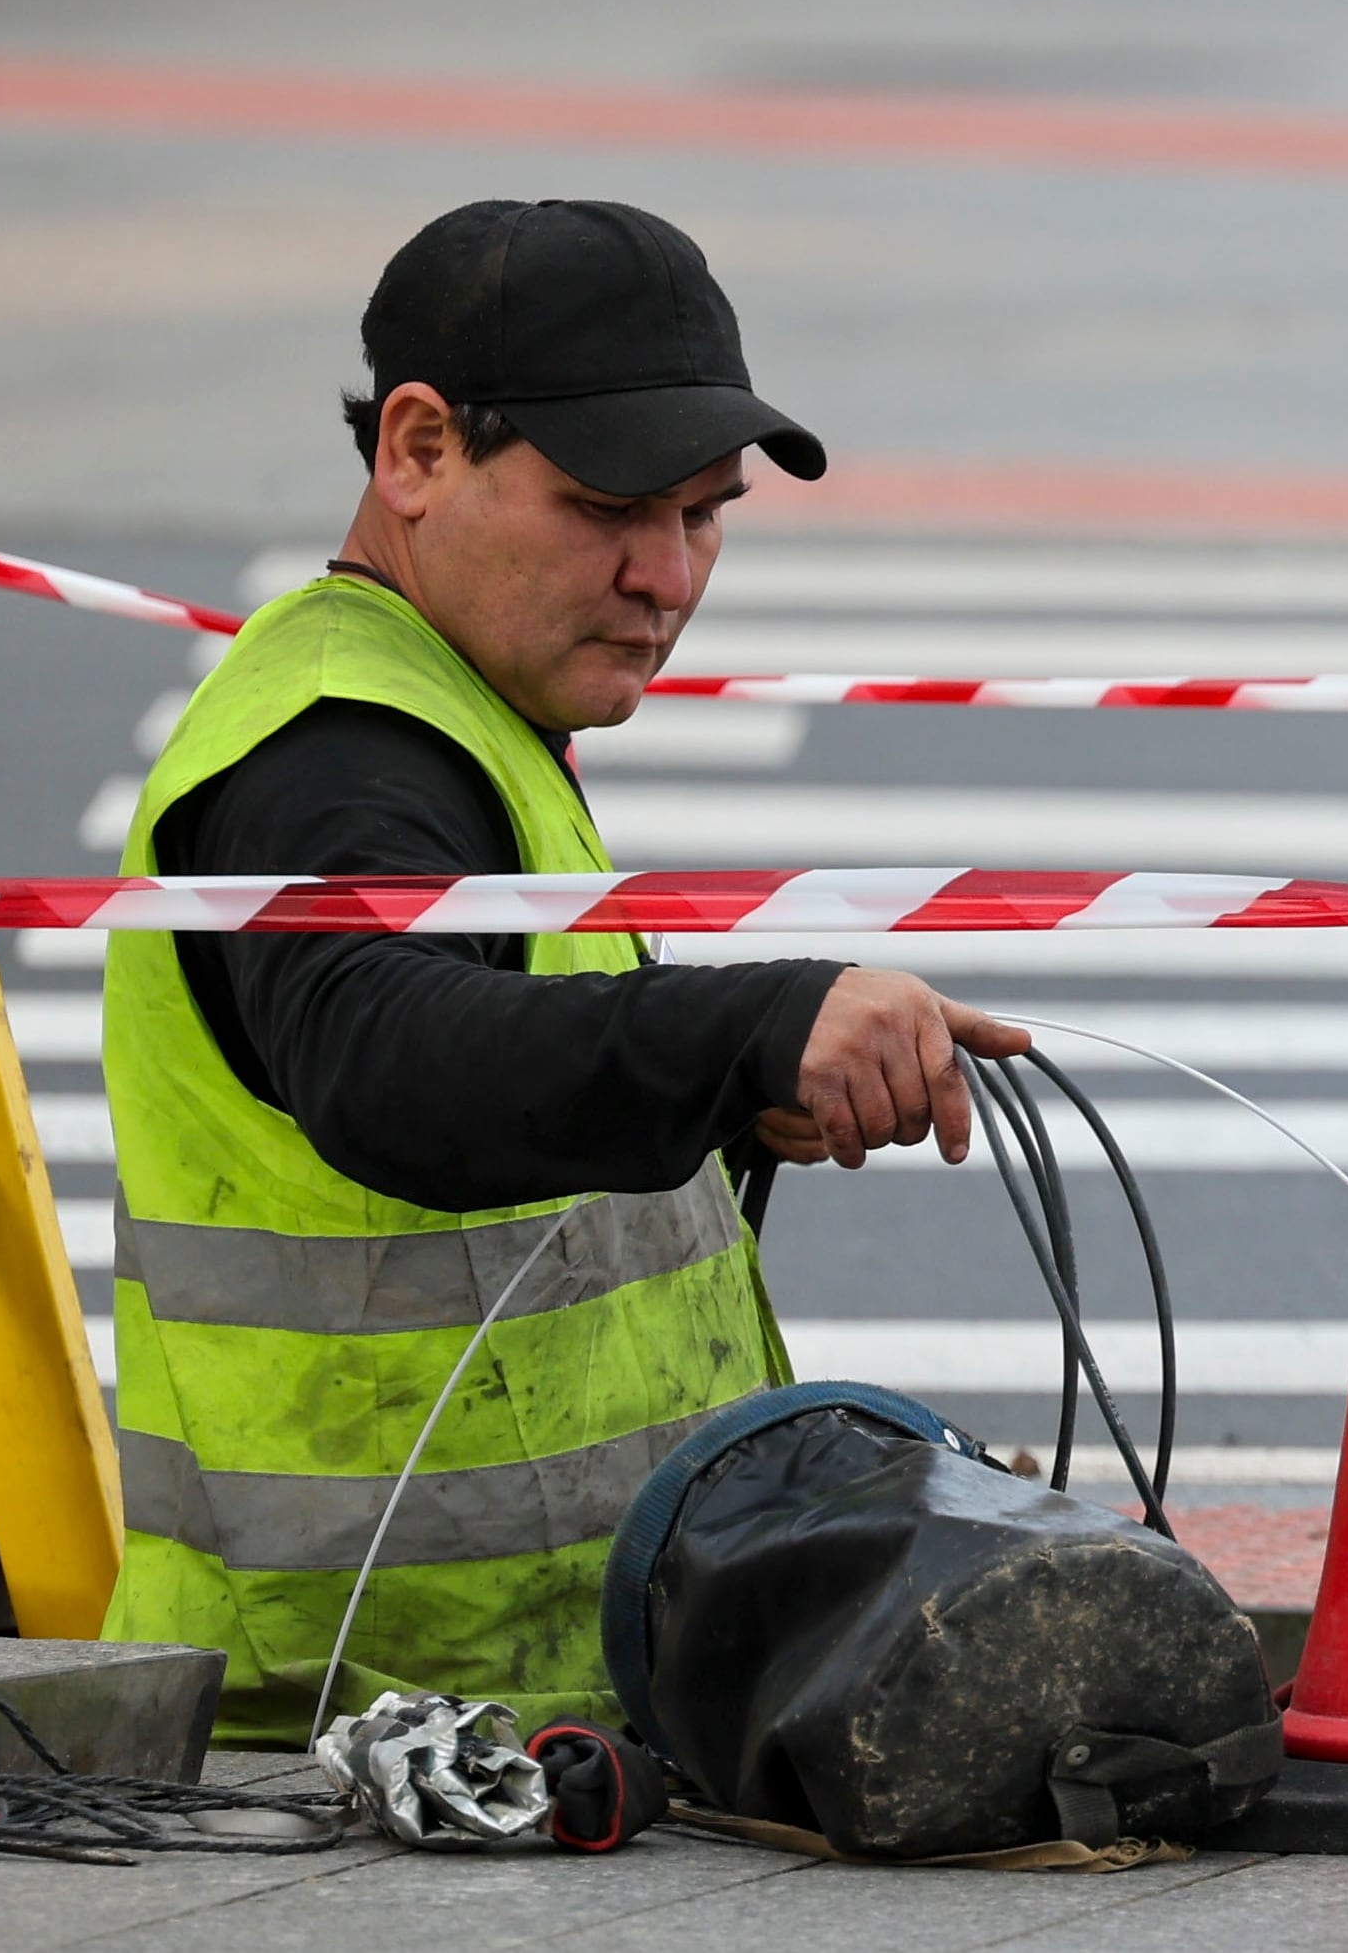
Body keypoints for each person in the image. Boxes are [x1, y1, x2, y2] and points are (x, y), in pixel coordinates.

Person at [97, 198, 1027, 1743]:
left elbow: (509, 1065)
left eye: (704, 514)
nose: (667, 577)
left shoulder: (463, 704)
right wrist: (749, 1025)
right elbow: (389, 1064)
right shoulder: (332, 757)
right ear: (417, 453)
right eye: (610, 509)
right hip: (338, 1732)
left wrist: (740, 1099)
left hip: (537, 1702)